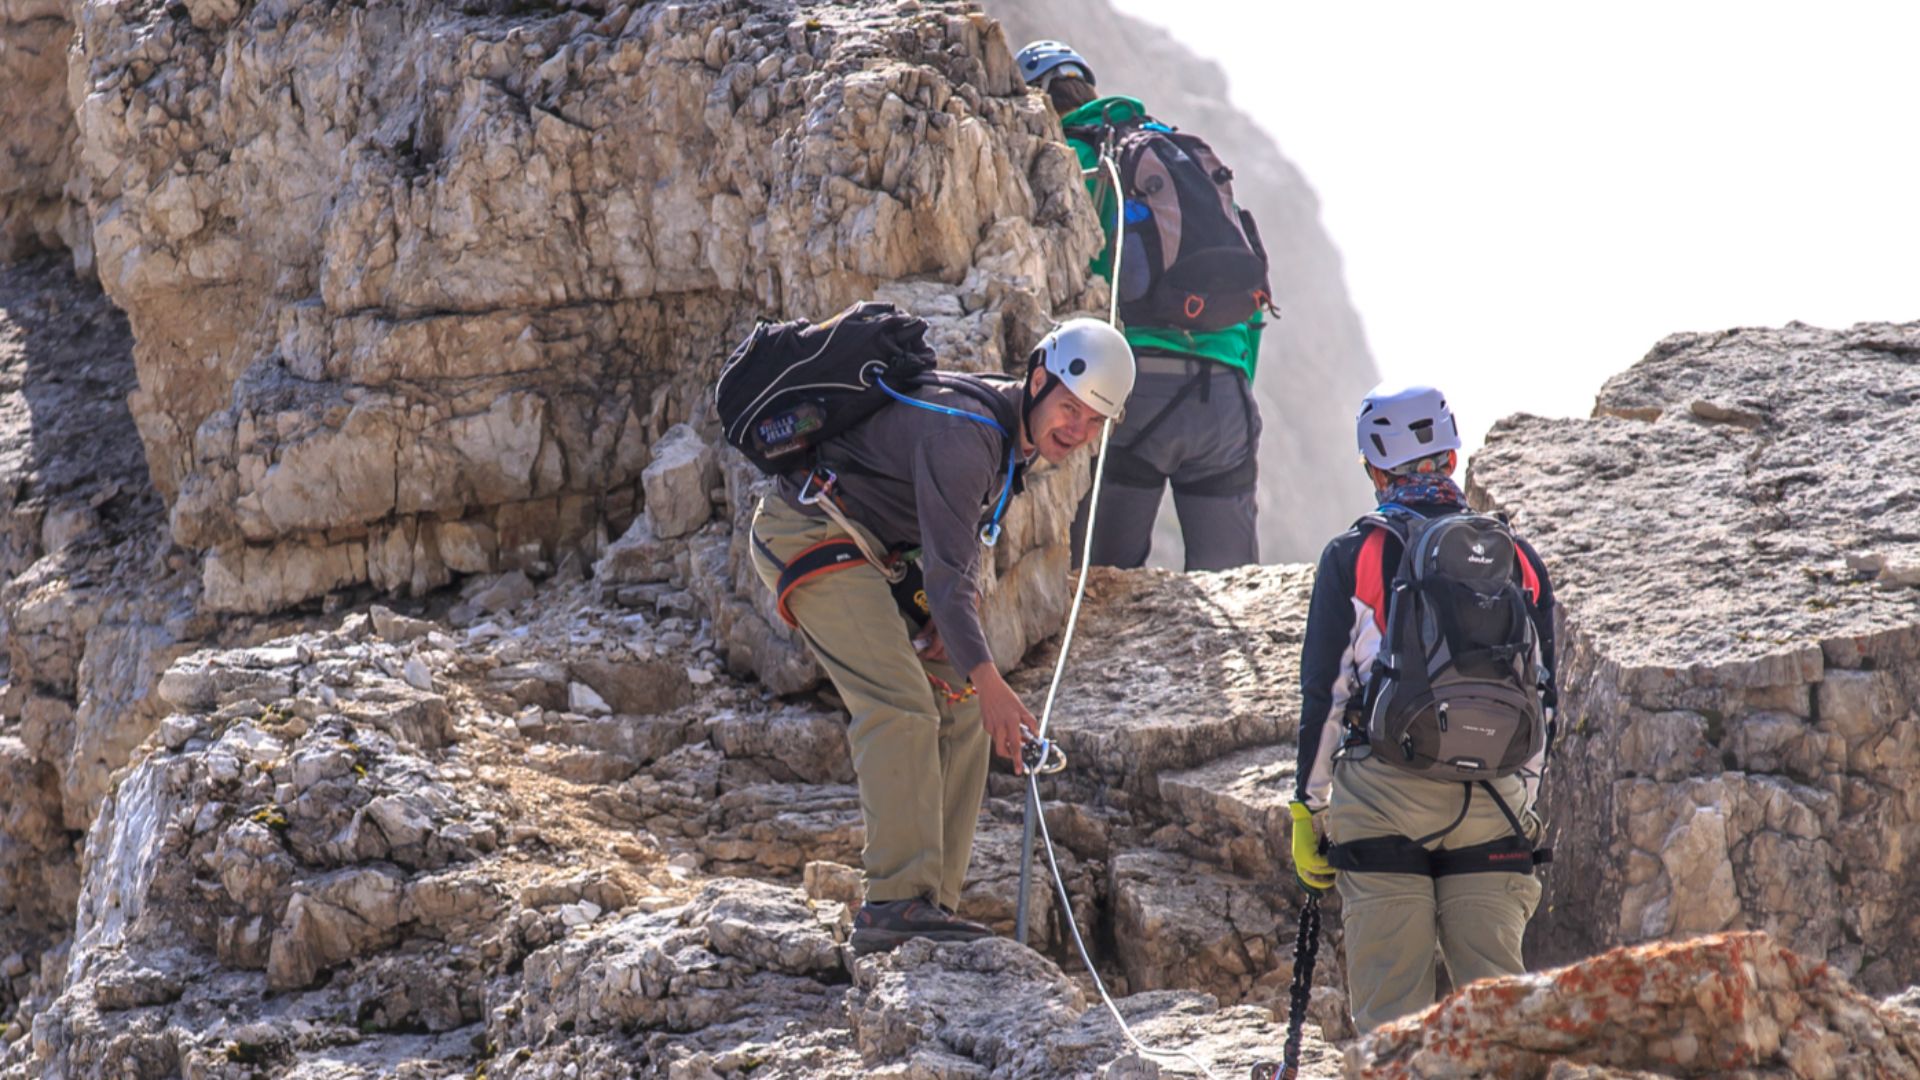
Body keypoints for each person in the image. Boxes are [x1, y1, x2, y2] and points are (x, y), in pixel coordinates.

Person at [746, 317, 1136, 955]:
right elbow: (951, 577)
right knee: (899, 703)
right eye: (1071, 409)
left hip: (868, 547)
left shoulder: (1007, 436)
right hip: (808, 532)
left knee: (960, 702)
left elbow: (953, 558)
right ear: (1039, 379)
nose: (1079, 431)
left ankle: (932, 905)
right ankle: (894, 903)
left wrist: (969, 664)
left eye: (1096, 422)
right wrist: (992, 680)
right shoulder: (968, 434)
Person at [1289, 384, 1559, 1032]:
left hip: (1384, 803)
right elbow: (1544, 700)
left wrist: (1310, 808)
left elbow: (1326, 696)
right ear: (1453, 458)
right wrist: (1517, 797)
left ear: (1374, 471)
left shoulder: (1356, 556)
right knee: (1500, 1023)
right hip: (1493, 806)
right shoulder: (1518, 560)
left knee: (1392, 1026)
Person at [1015, 39, 1268, 571]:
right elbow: (1248, 287)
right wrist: (1233, 374)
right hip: (1225, 394)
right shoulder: (1178, 159)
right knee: (1233, 582)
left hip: (1132, 388)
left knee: (1102, 581)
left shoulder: (1076, 160)